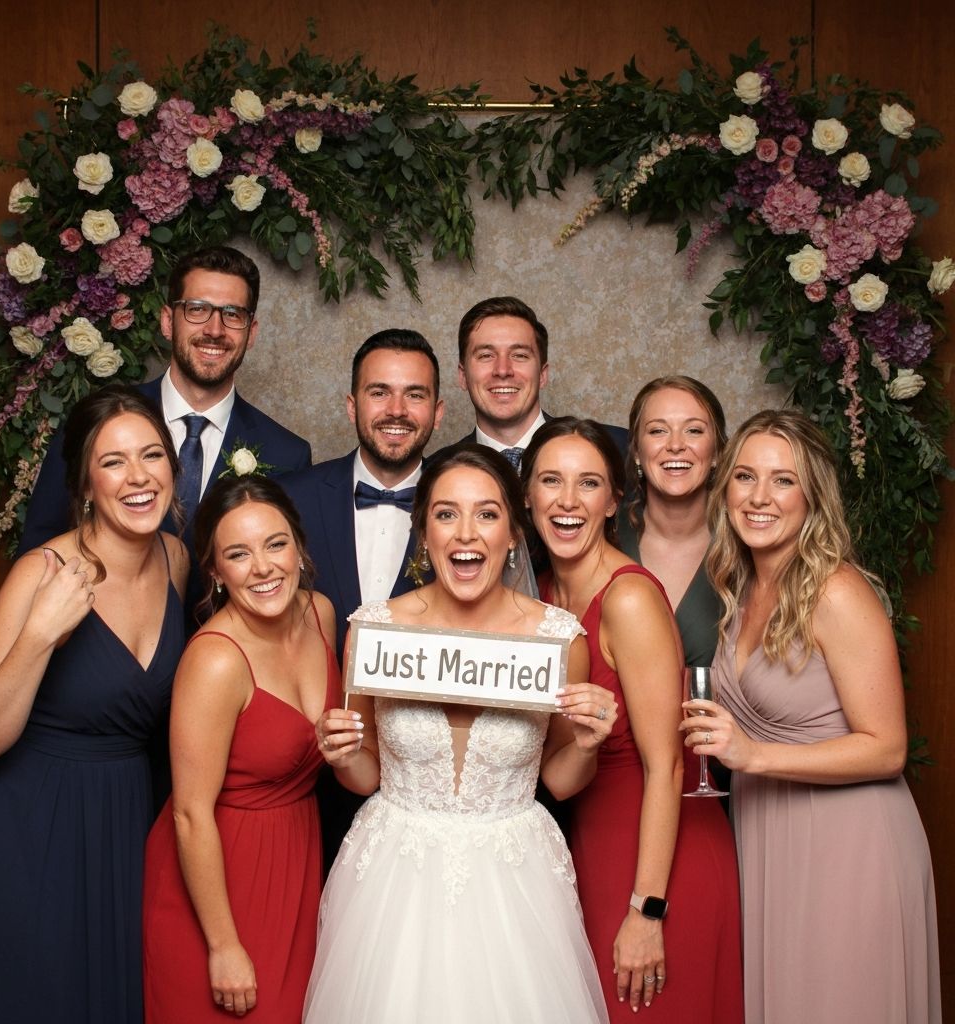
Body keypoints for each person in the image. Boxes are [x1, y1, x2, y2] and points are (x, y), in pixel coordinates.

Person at [303, 446, 613, 1024]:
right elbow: (365, 773)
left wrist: (589, 743)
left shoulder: (558, 639)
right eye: (446, 514)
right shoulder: (374, 632)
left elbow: (562, 782)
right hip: (395, 875)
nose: (465, 533)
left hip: (515, 878)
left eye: (487, 514)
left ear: (514, 532)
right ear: (423, 532)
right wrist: (341, 754)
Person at [0, 384, 189, 1024]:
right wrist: (42, 634)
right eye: (113, 461)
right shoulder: (40, 573)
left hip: (120, 826)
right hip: (22, 830)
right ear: (84, 485)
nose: (138, 477)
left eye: (152, 455)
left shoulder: (176, 558)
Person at [686, 409, 940, 1024]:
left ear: (812, 496)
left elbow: (887, 749)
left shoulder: (836, 591)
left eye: (783, 480)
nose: (759, 497)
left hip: (847, 845)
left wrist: (753, 754)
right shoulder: (740, 587)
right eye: (745, 477)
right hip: (769, 833)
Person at [523, 417, 743, 1022]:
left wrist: (648, 910)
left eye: (588, 483)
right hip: (592, 847)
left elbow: (668, 763)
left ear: (614, 500)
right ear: (528, 496)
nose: (568, 502)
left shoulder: (629, 598)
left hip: (662, 859)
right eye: (551, 481)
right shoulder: (540, 596)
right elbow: (559, 775)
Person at [143, 476, 338, 1023]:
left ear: (298, 546)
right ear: (215, 572)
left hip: (296, 862)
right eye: (238, 554)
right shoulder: (215, 661)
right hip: (218, 880)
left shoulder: (318, 613)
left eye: (275, 544)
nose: (263, 567)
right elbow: (189, 813)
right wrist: (223, 945)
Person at [18, 245, 312, 568]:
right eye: (197, 309)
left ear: (251, 333)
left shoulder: (288, 456)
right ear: (168, 321)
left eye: (232, 314)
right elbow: (38, 554)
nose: (215, 330)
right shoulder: (96, 423)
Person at [279, 328, 444, 661]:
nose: (396, 410)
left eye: (414, 395)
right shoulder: (290, 500)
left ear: (437, 412)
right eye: (380, 392)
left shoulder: (465, 511)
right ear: (352, 407)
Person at [431, 296, 628, 468]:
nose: (502, 370)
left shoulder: (619, 449)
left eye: (519, 355)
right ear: (463, 376)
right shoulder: (434, 471)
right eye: (486, 355)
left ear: (542, 374)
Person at [619, 376, 727, 667]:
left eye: (693, 430)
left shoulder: (747, 540)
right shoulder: (605, 535)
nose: (676, 445)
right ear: (637, 452)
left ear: (716, 451)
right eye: (657, 431)